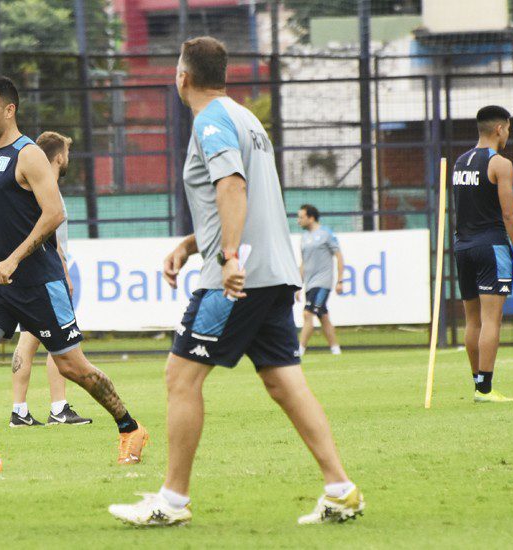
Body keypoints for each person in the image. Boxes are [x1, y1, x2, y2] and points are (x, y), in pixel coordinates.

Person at [108, 37, 363, 527]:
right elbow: (241, 198)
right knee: (284, 381)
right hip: (273, 273)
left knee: (181, 378)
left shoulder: (209, 121)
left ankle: (172, 502)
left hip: (237, 278)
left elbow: (232, 186)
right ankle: (340, 489)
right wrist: (191, 243)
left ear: (182, 77)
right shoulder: (246, 117)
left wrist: (225, 257)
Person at [0, 76, 148, 473]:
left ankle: (130, 427)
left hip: (38, 280)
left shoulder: (30, 154)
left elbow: (55, 213)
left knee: (73, 367)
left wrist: (15, 258)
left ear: (9, 110)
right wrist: (2, 263)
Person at [9, 131, 91, 427]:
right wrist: (65, 274)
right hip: (47, 278)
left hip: (30, 279)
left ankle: (19, 411)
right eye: (67, 153)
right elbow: (52, 240)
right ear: (59, 157)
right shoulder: (49, 191)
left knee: (27, 343)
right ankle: (58, 408)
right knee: (62, 344)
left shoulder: (31, 190)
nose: (68, 158)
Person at [452, 105, 513, 403]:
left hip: (462, 247)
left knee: (472, 321)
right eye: (508, 129)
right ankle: (485, 389)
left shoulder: (460, 161)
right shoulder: (500, 164)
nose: (508, 135)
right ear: (500, 128)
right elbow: (510, 214)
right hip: (491, 246)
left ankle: (477, 384)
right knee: (491, 320)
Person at [296, 204, 344, 356]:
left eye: (301, 217)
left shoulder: (326, 234)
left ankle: (299, 350)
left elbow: (339, 256)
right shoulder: (304, 238)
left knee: (307, 314)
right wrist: (298, 284)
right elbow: (304, 262)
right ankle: (335, 349)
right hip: (310, 284)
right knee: (323, 316)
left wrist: (340, 280)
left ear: (311, 218)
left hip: (322, 282)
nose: (298, 221)